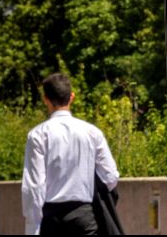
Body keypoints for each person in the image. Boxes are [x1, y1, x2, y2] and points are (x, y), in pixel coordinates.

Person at [21, 73, 120, 235]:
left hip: (52, 219)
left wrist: (33, 229)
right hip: (84, 216)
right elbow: (110, 176)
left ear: (46, 99)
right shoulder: (92, 132)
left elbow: (34, 187)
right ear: (72, 97)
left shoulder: (37, 135)